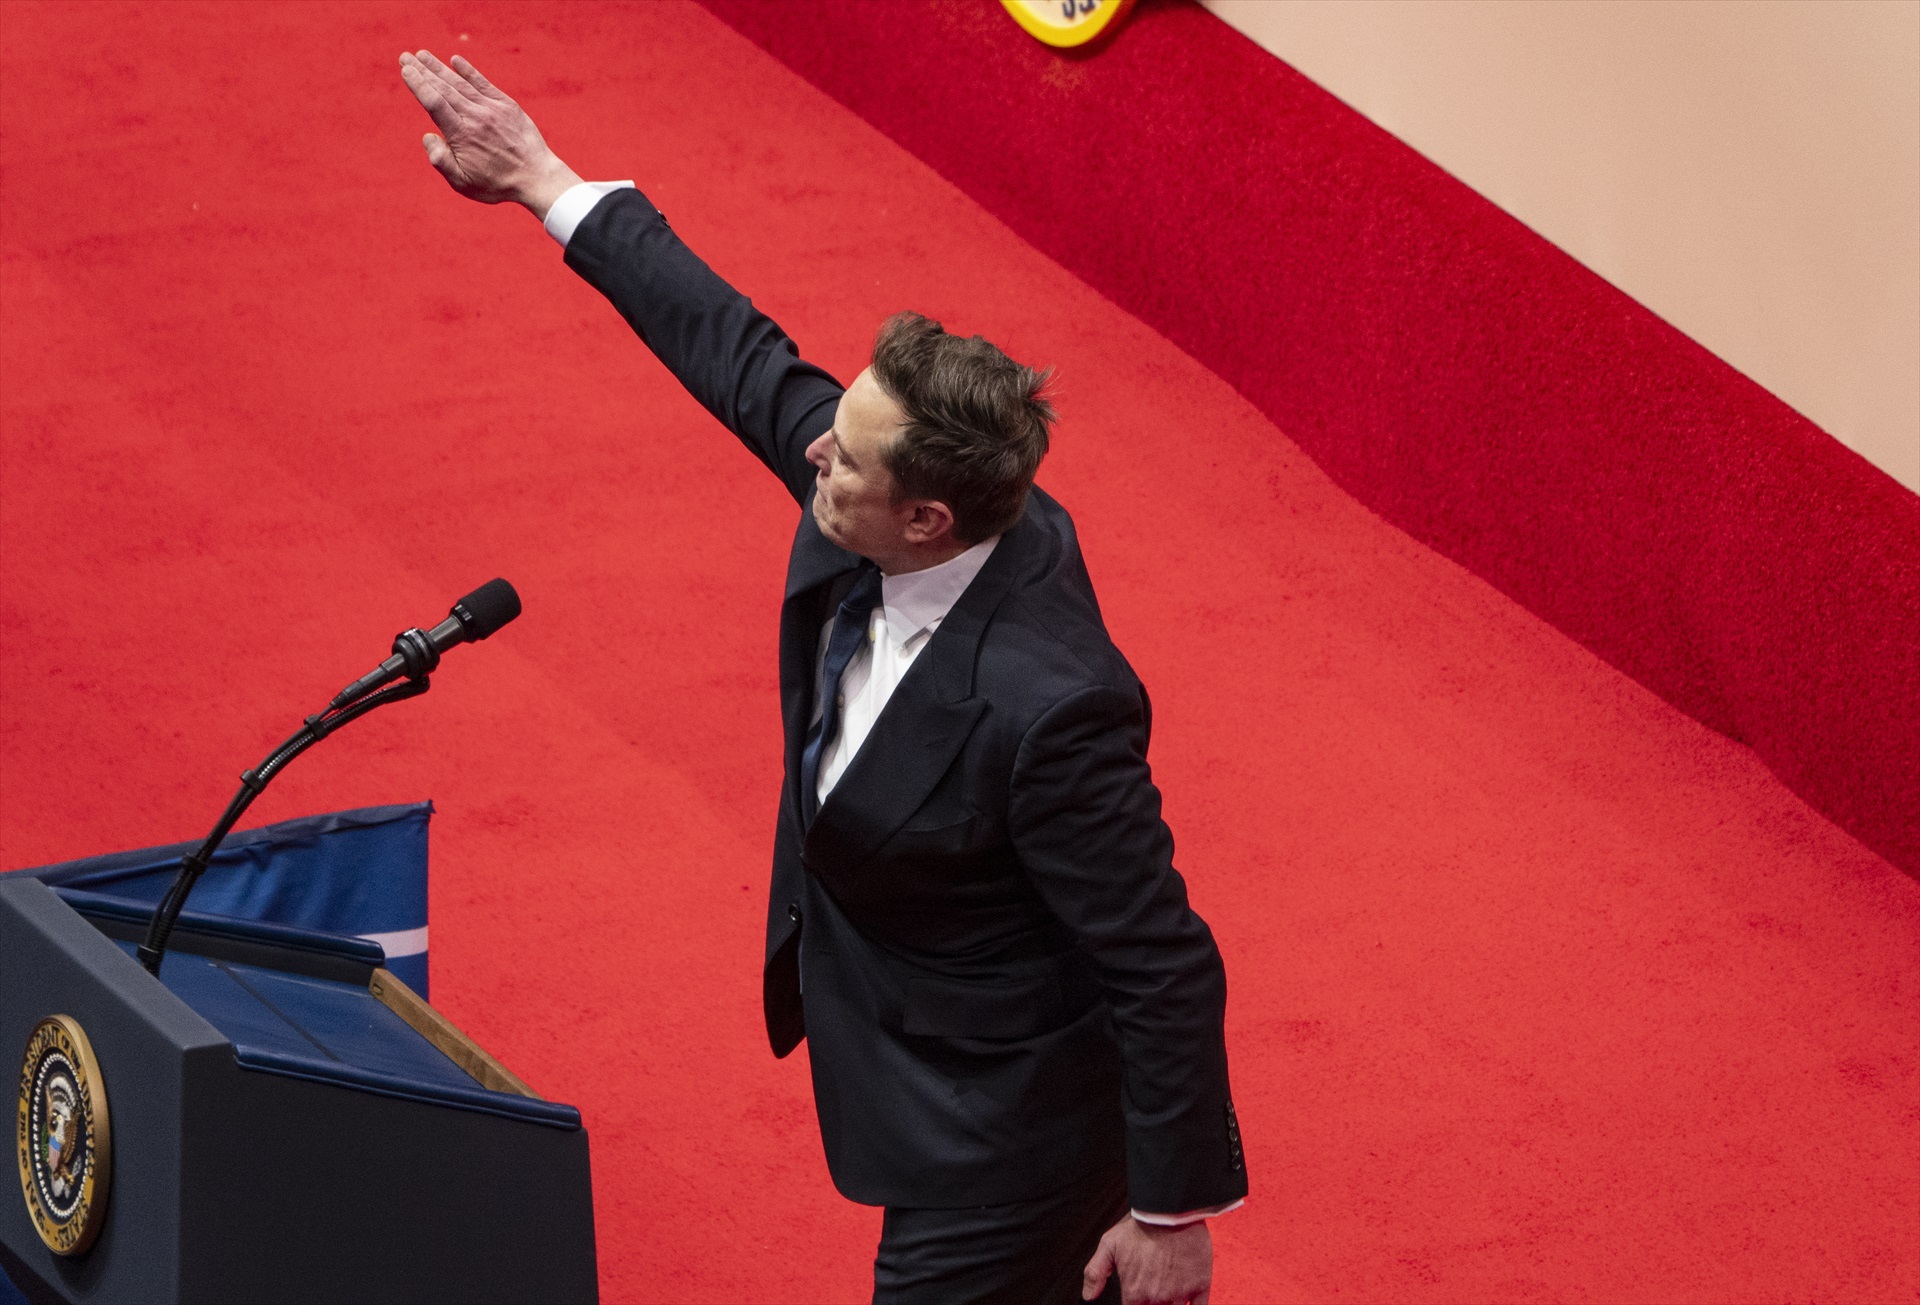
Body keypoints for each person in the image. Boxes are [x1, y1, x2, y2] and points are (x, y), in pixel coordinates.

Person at [399, 49, 1247, 1305]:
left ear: (927, 520)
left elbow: (1161, 957)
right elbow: (741, 357)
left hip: (1006, 1131)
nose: (814, 461)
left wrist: (1172, 1213)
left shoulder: (1052, 710)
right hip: (908, 1034)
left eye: (844, 464)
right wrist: (543, 180)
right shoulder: (906, 499)